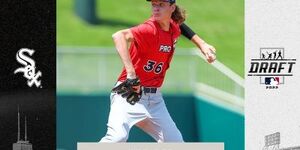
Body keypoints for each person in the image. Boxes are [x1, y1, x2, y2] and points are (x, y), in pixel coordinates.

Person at [100, 0, 216, 142]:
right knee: (117, 138)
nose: (156, 8)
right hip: (130, 93)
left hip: (154, 100)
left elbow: (181, 26)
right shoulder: (149, 29)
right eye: (154, 4)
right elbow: (118, 36)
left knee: (176, 143)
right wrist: (131, 73)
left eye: (161, 4)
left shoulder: (173, 28)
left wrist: (202, 44)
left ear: (172, 8)